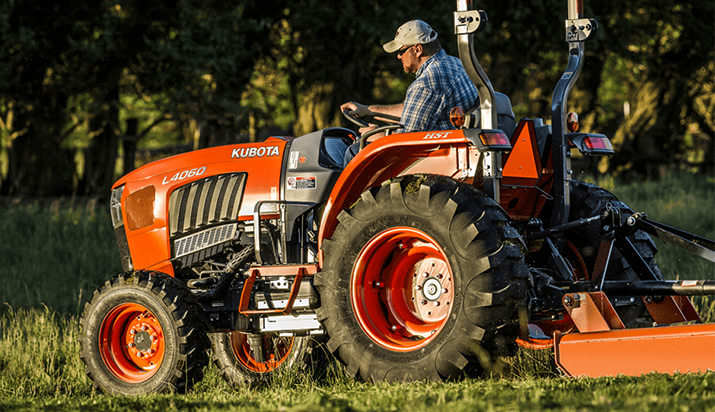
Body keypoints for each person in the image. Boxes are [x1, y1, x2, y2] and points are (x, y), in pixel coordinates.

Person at [341, 19, 479, 150]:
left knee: (353, 151)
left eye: (401, 51)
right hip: (459, 146)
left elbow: (408, 140)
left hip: (436, 156)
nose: (398, 56)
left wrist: (379, 136)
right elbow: (414, 110)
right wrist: (367, 110)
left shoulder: (426, 83)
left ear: (418, 49)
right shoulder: (456, 63)